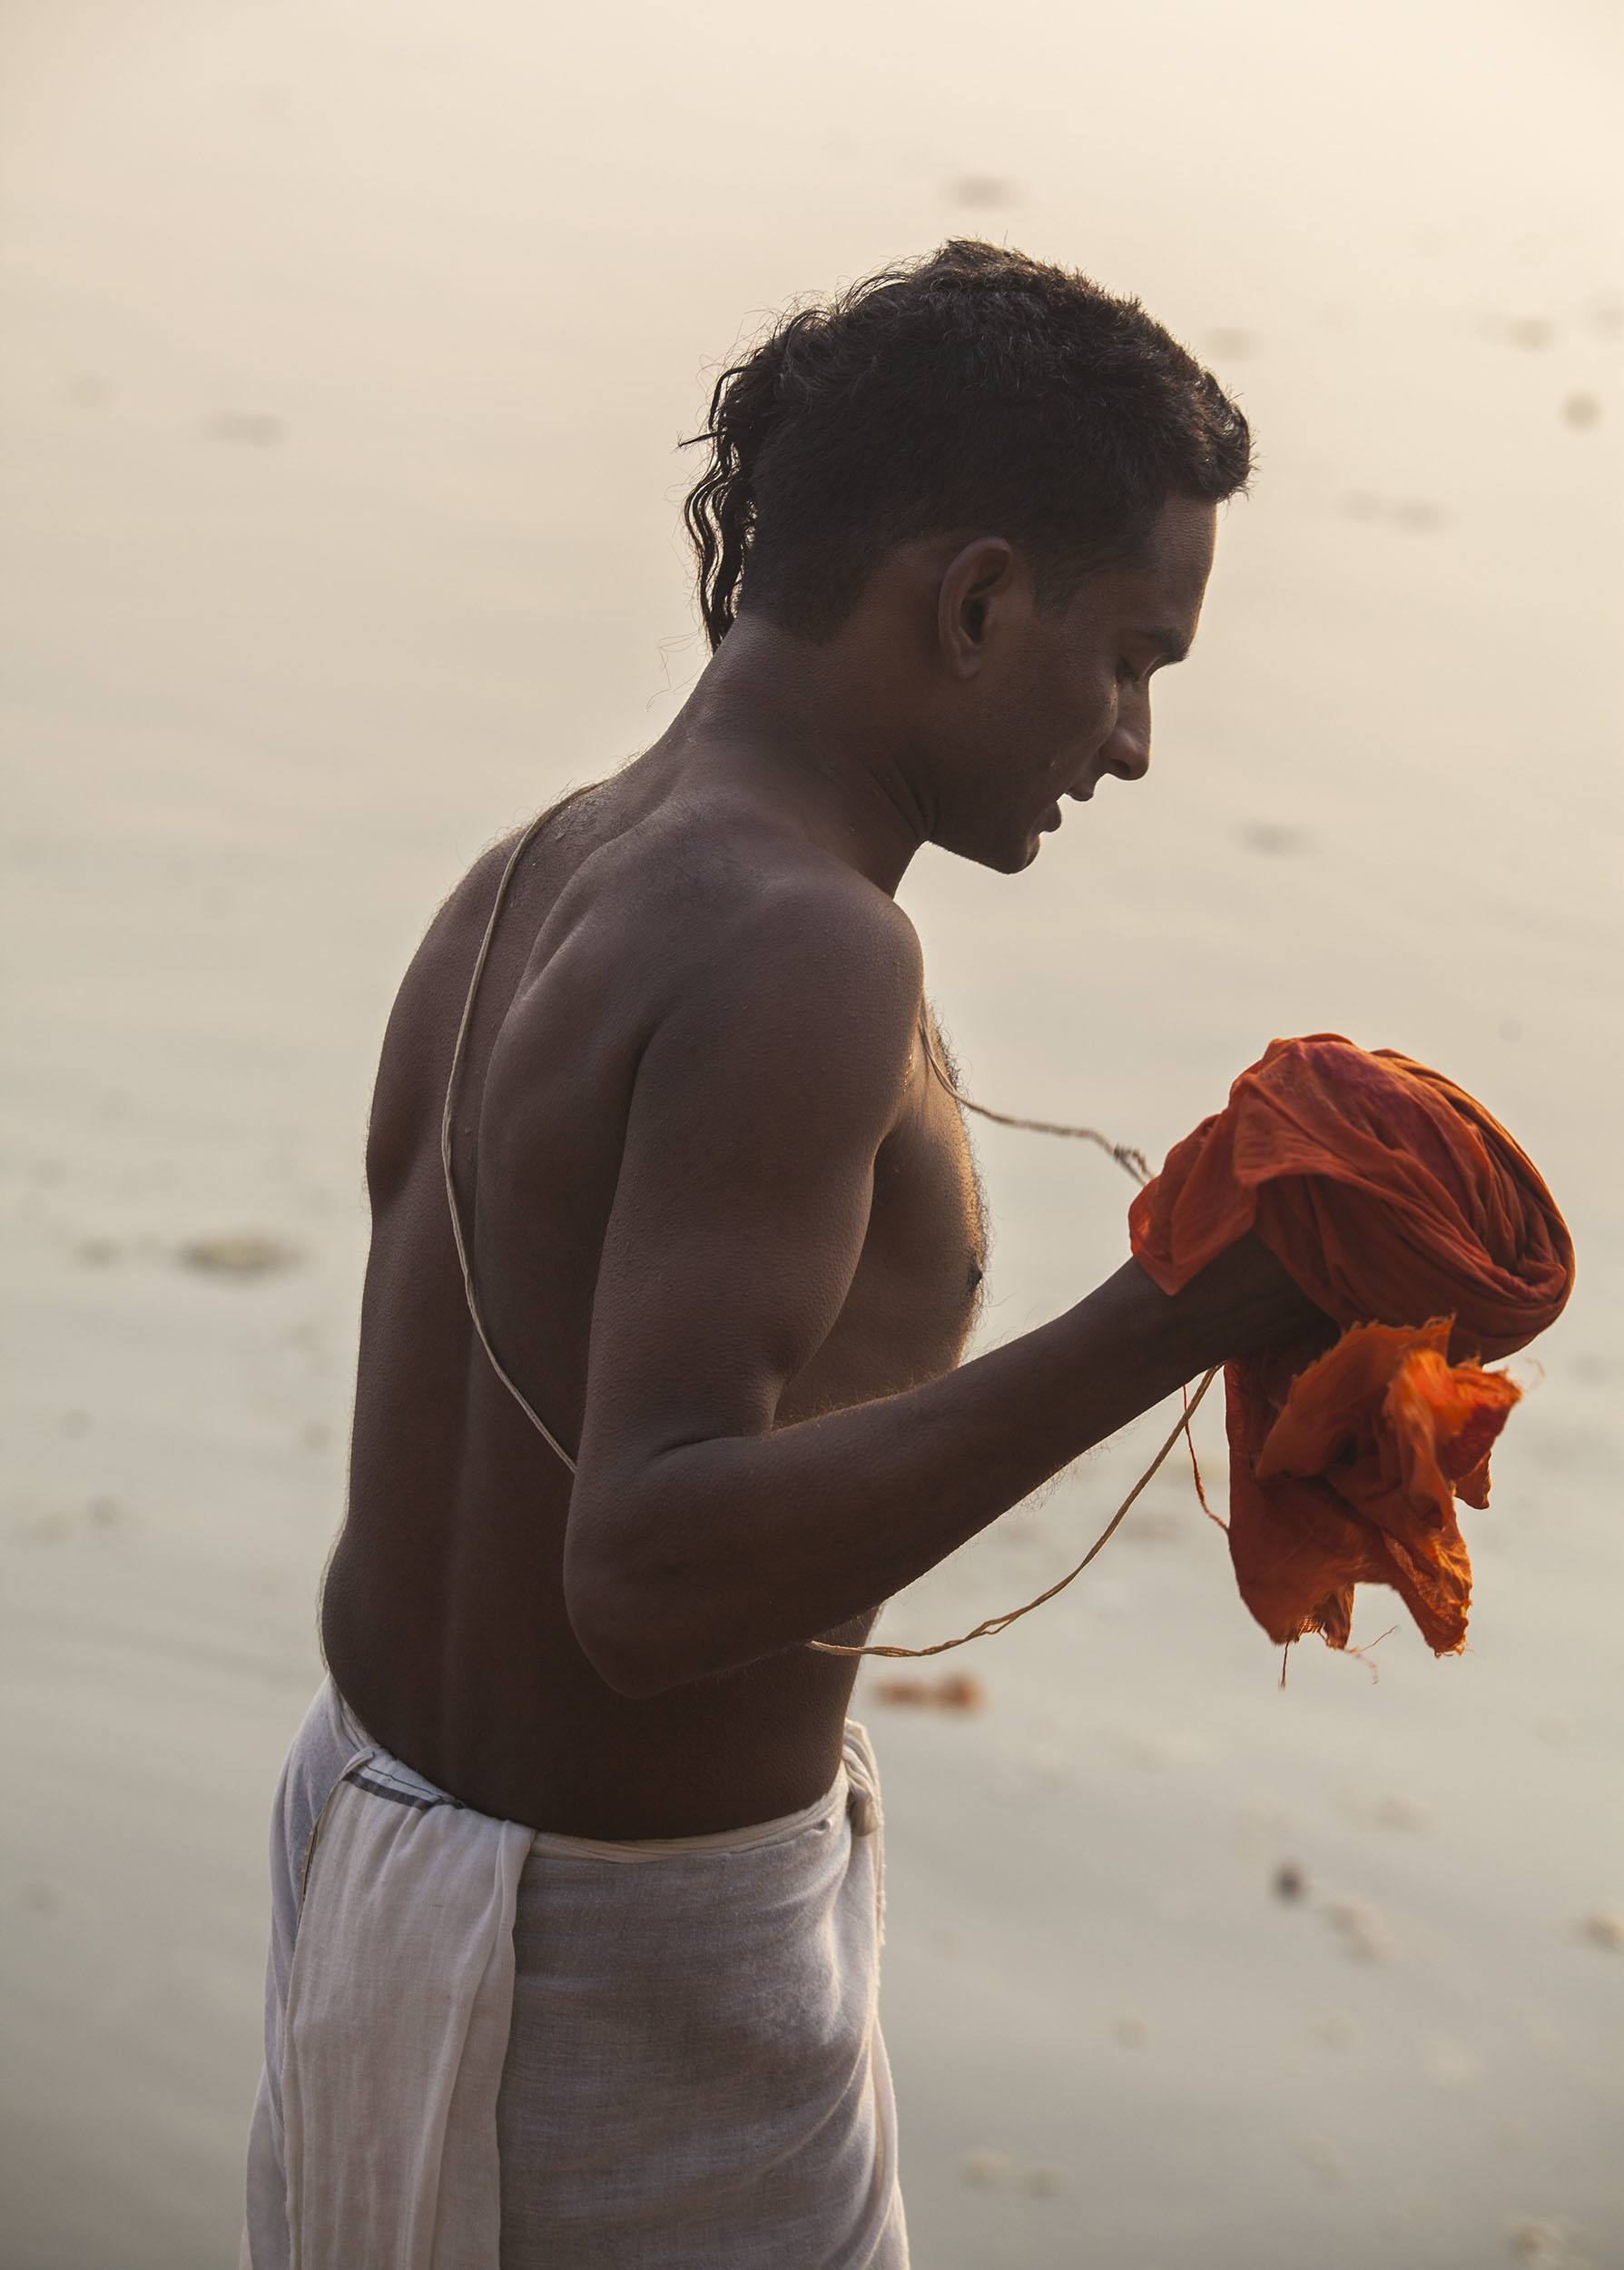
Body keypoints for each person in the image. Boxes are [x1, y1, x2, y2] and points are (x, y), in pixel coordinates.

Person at [241, 239, 1325, 2269]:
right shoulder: (808, 942)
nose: (1131, 744)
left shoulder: (539, 864)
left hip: (376, 1853)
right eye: (1131, 658)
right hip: (612, 1972)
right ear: (978, 598)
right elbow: (644, 1575)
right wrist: (1181, 1319)